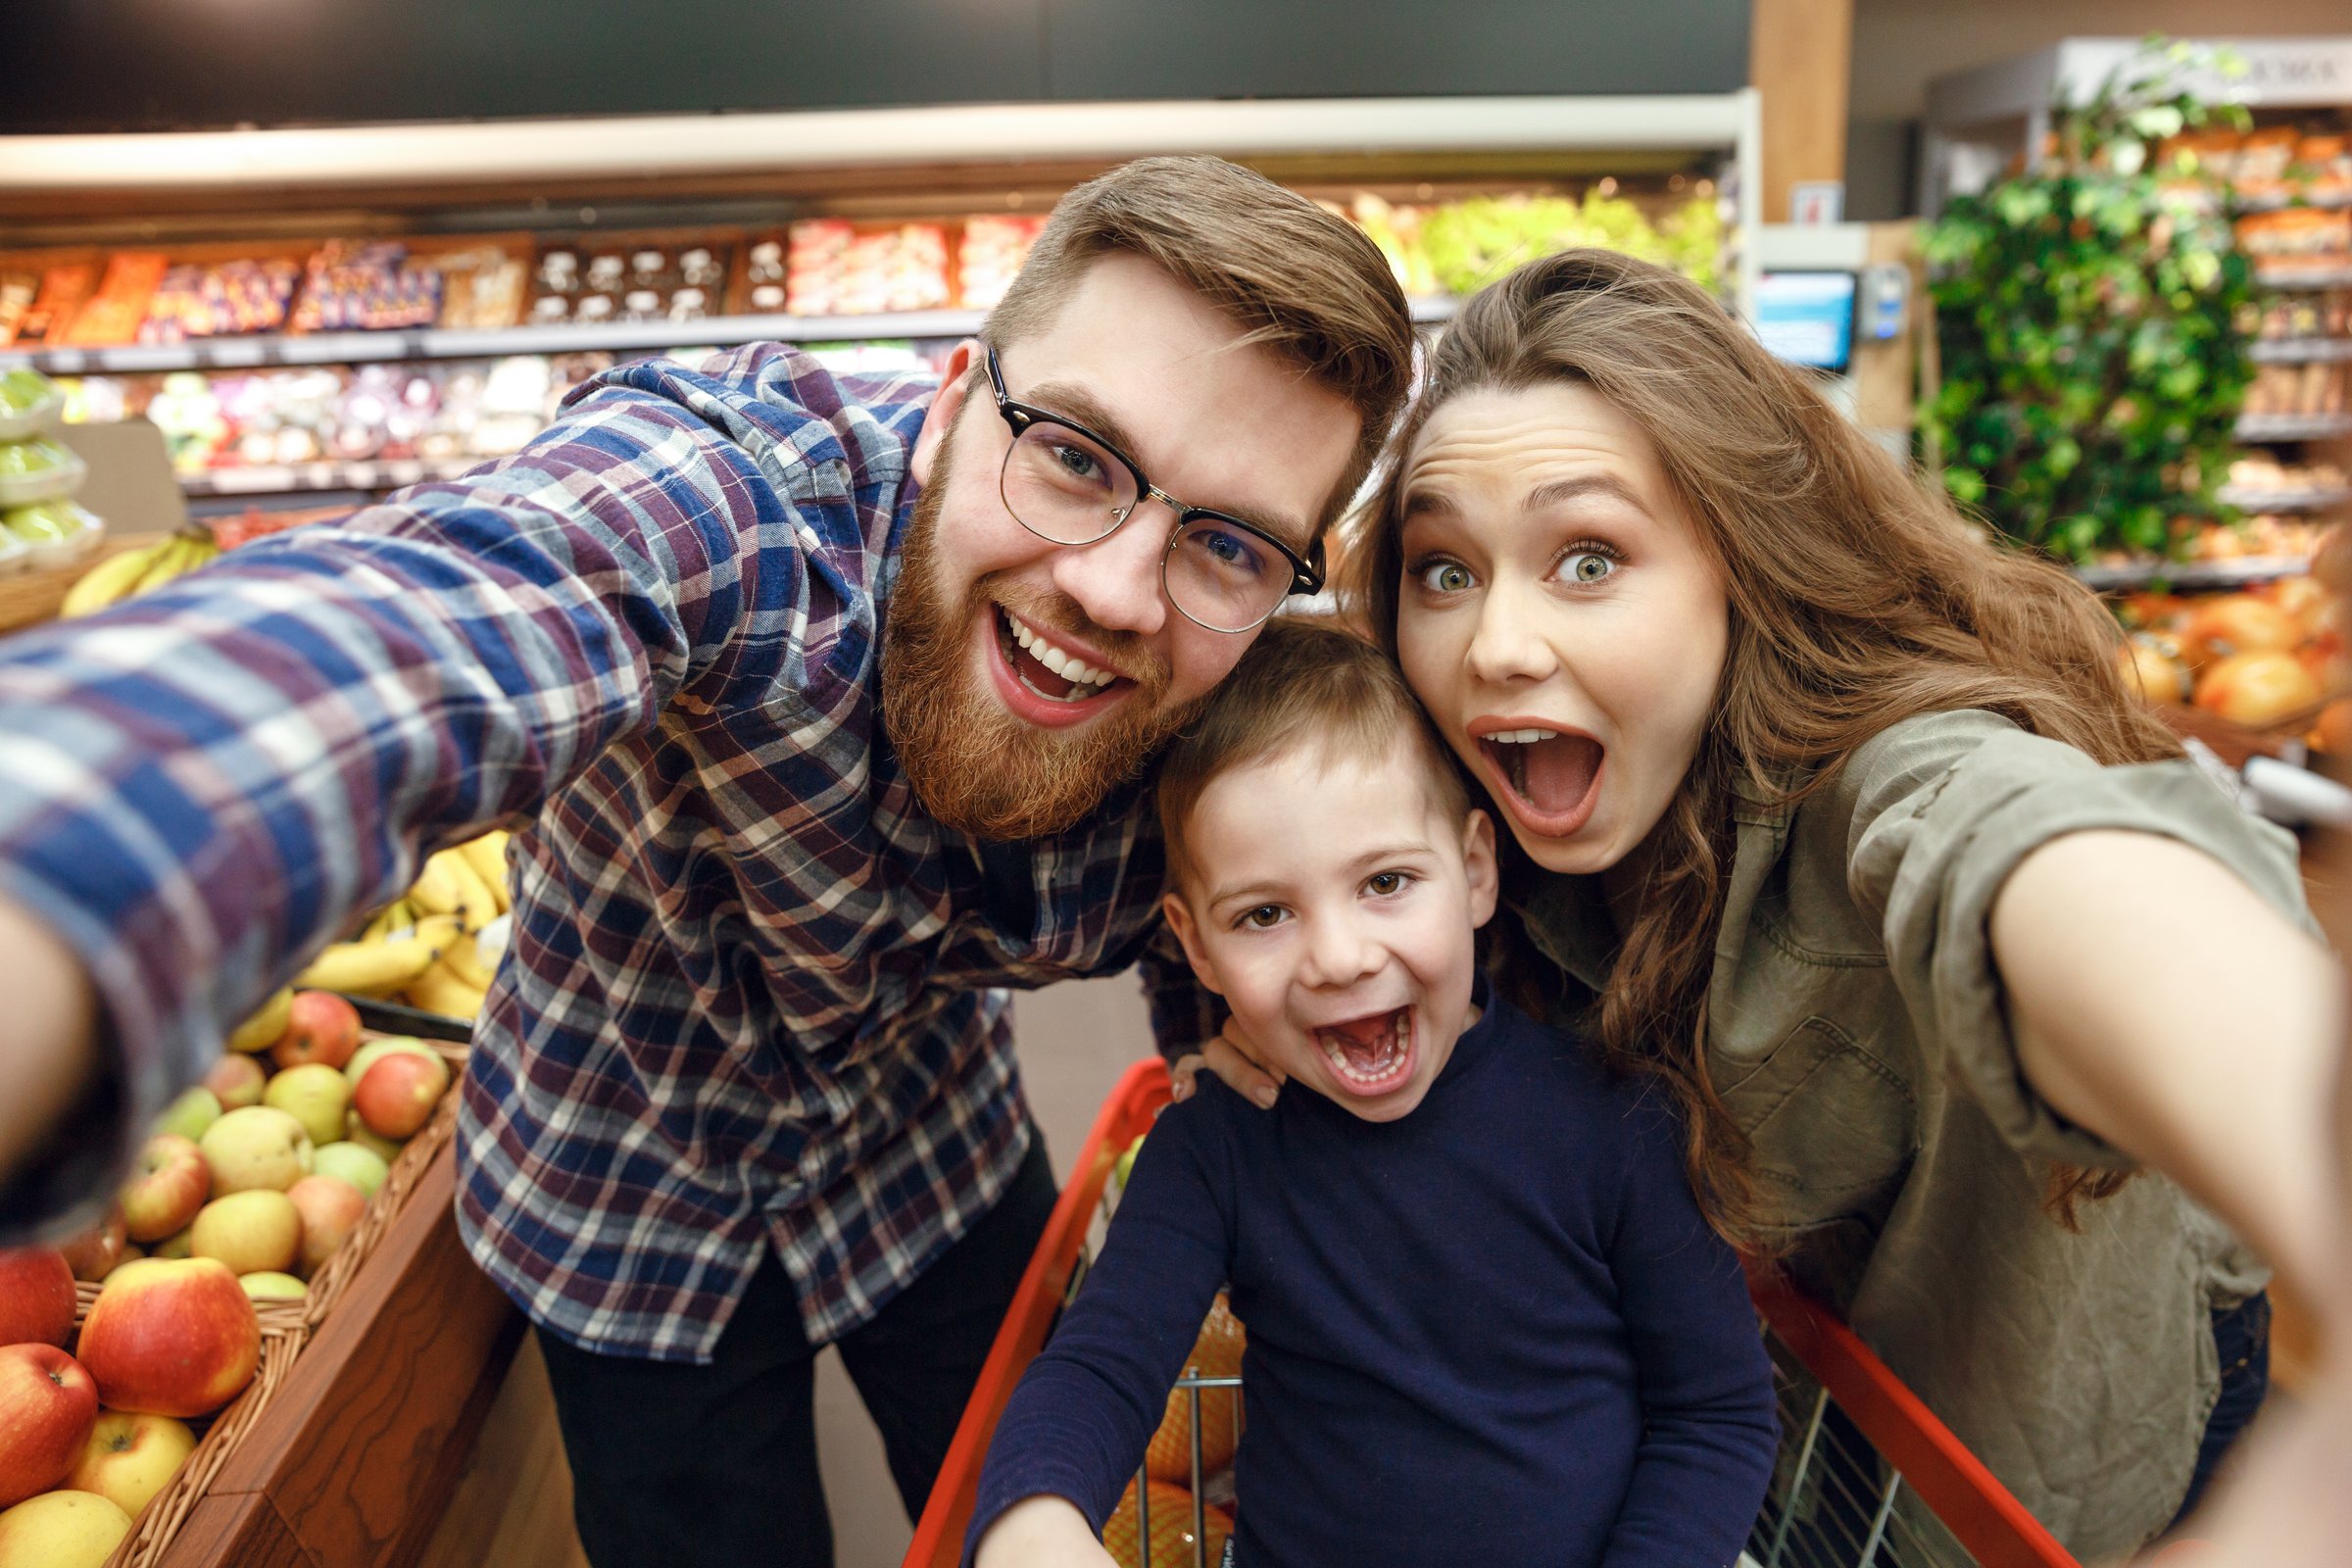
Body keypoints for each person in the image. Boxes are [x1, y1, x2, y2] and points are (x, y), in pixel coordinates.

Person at [0, 158, 1416, 1566]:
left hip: (921, 1146)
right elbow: (440, 623)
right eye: (1071, 454)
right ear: (944, 413)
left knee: (1022, 1492)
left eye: (1227, 542)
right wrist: (63, 885)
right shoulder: (747, 502)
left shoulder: (1230, 711)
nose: (1112, 591)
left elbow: (1239, 1001)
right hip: (615, 1172)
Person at [1184, 249, 2345, 1564]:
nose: (1496, 644)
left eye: (1587, 559)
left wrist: (2317, 1158)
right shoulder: (1487, 808)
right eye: (1445, 572)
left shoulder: (1879, 773)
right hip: (1777, 1425)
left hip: (2019, 1440)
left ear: (1739, 565)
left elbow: (2030, 861)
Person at [969, 620, 1777, 1568]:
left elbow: (1716, 1412)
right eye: (1265, 914)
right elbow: (1102, 1369)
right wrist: (1033, 1518)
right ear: (1197, 948)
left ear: (1475, 872)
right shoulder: (1216, 1147)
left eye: (1386, 881)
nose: (1341, 958)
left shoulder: (1618, 1120)